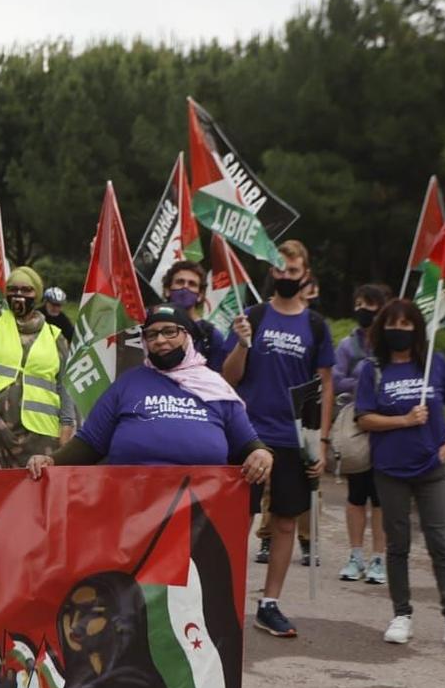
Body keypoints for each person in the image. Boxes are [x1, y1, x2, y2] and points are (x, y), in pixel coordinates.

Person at [221, 239, 332, 639]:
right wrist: (242, 343)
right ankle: (225, 600)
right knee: (238, 521)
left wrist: (322, 441)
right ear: (272, 271)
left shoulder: (316, 325)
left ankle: (269, 604)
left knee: (285, 522)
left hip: (294, 438)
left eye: (293, 270)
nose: (286, 276)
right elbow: (229, 378)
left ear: (306, 274)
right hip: (249, 434)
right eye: (280, 269)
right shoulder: (254, 315)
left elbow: (324, 384)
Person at [26, 306, 272, 483]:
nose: (160, 340)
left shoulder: (216, 387)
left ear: (187, 336)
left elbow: (248, 444)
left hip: (200, 518)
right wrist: (52, 461)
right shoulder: (128, 384)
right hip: (132, 512)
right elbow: (90, 442)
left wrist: (260, 454)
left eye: (169, 331)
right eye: (152, 334)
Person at [354, 298, 445, 652]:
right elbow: (364, 418)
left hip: (431, 469)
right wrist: (404, 420)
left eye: (407, 325)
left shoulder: (435, 364)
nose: (399, 330)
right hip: (390, 470)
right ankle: (401, 614)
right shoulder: (372, 369)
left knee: (441, 545)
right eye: (393, 324)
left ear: (418, 330)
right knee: (398, 545)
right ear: (382, 328)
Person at [0, 214, 75, 471]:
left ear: (37, 295)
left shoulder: (55, 336)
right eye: (13, 290)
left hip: (40, 436)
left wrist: (67, 426)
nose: (19, 295)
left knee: (35, 505)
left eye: (27, 290)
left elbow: (65, 388)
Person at [331, 283, 392, 586]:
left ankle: (379, 557)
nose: (363, 310)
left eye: (369, 304)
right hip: (356, 426)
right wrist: (364, 382)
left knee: (380, 498)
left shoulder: (392, 345)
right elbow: (335, 379)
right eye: (358, 303)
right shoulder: (346, 346)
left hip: (387, 427)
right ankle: (355, 555)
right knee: (357, 494)